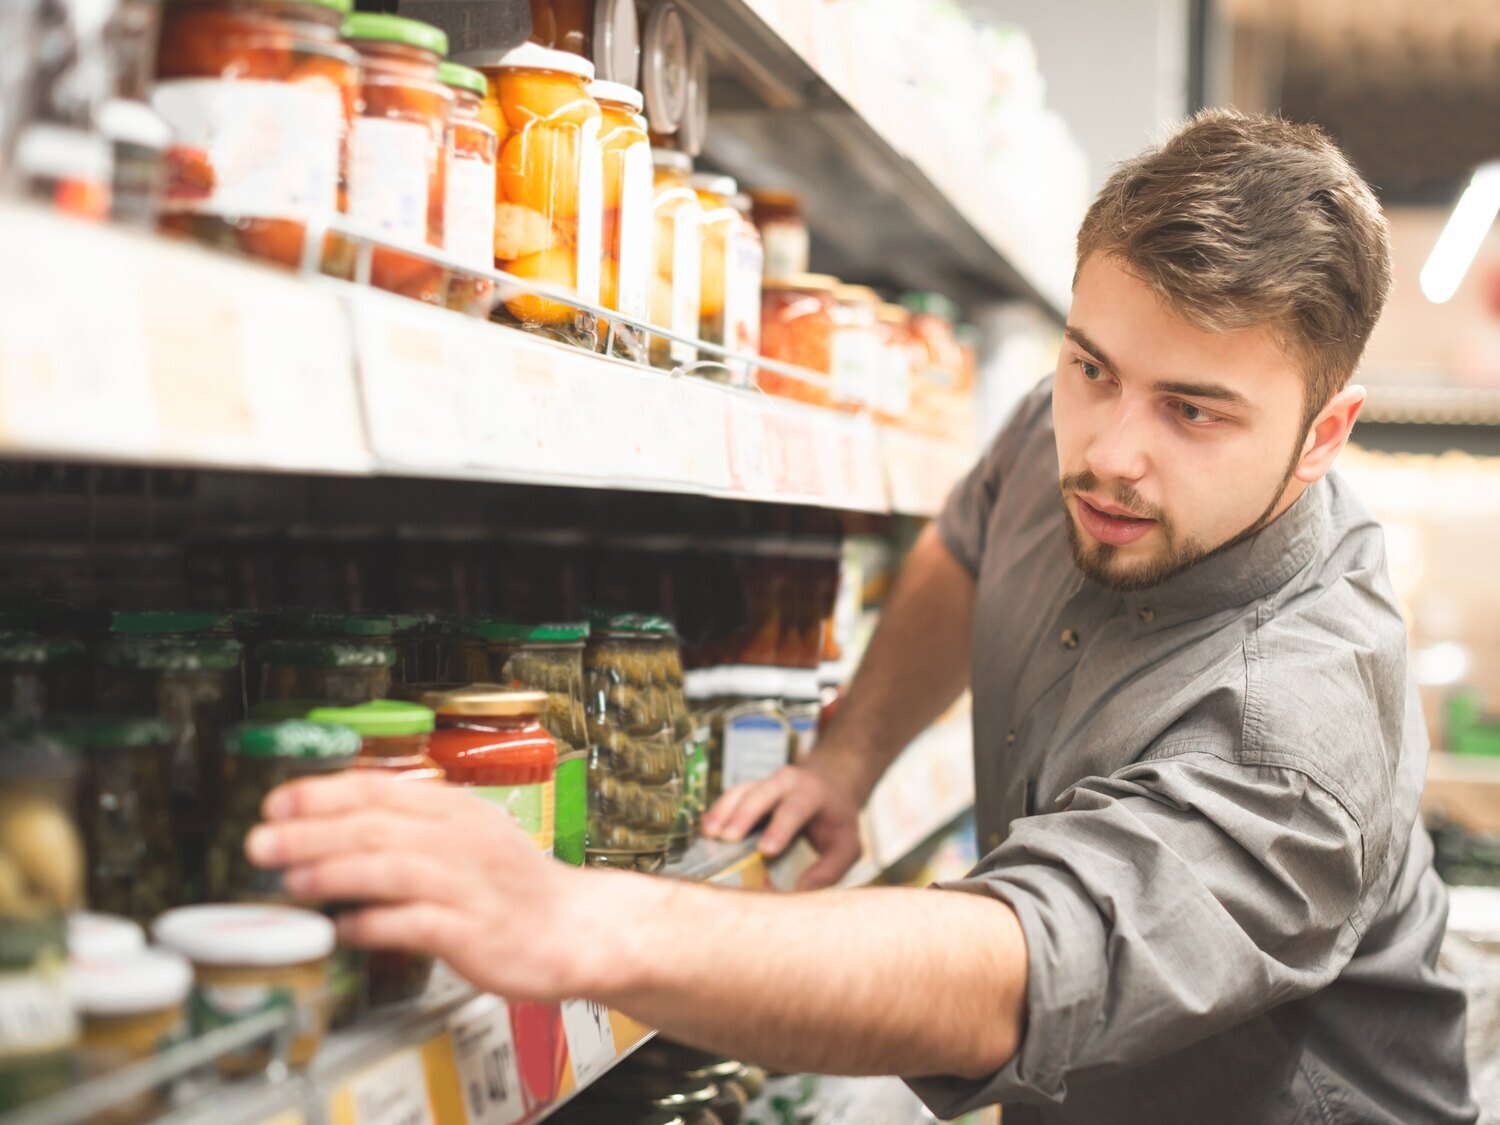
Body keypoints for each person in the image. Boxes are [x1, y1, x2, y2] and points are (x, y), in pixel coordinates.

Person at [244, 110, 1478, 1122]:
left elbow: (1019, 968)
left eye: (1195, 412)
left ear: (1324, 437)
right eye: (1092, 368)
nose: (1109, 452)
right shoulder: (1086, 435)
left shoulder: (1296, 726)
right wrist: (849, 756)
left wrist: (582, 918)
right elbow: (970, 533)